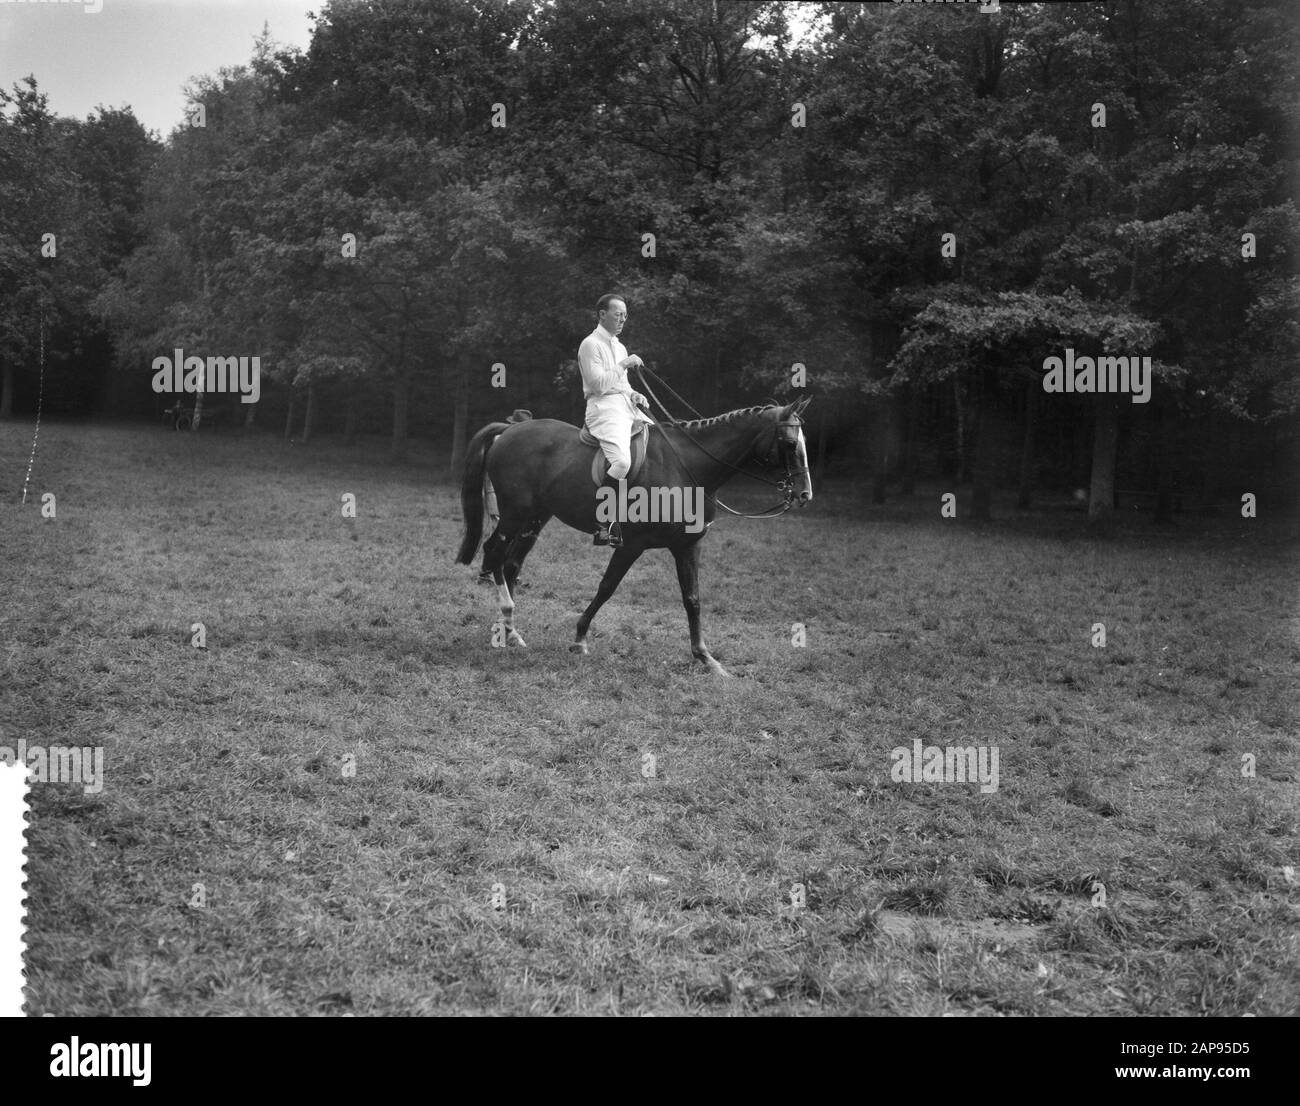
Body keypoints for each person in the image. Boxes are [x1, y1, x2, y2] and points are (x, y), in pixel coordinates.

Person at [578, 294, 653, 546]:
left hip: (623, 405)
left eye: (625, 314)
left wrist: (635, 394)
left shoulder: (619, 345)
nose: (623, 318)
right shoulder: (590, 344)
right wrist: (624, 363)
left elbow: (622, 385)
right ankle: (603, 523)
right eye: (618, 314)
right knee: (621, 462)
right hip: (602, 408)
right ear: (602, 314)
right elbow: (598, 385)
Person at [477, 409, 532, 585]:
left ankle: (510, 574)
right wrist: (492, 499)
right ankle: (486, 573)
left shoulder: (524, 443)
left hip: (514, 497)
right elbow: (489, 476)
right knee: (501, 535)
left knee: (514, 535)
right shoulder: (500, 441)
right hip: (497, 493)